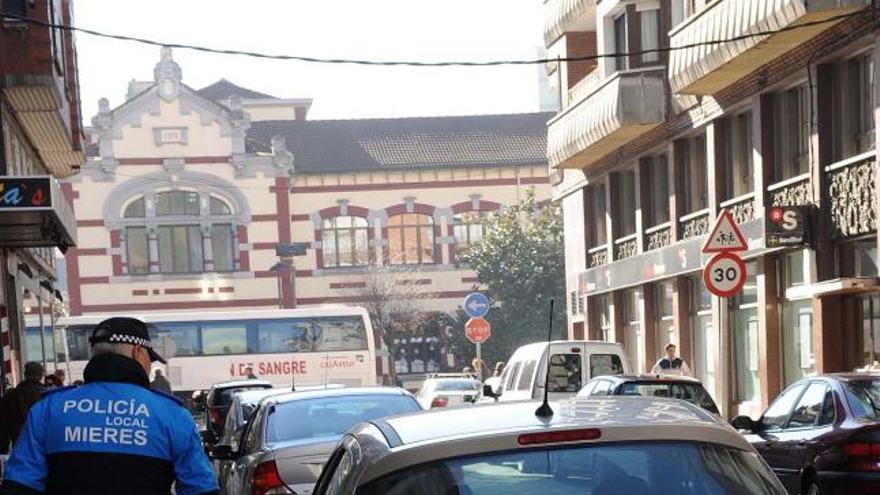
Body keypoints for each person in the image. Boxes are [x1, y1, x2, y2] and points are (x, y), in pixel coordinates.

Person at [0, 317, 218, 495]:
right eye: (149, 357)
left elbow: (19, 485)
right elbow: (200, 488)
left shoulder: (49, 409)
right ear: (137, 352)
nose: (150, 366)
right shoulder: (171, 414)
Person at [0, 362, 45, 453]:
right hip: (43, 446)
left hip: (18, 445)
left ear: (25, 375)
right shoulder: (47, 394)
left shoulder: (10, 395)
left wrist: (3, 448)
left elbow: (2, 423)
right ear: (40, 376)